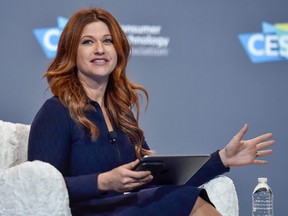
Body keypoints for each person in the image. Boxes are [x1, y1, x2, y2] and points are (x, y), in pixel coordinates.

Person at [28, 8, 275, 216]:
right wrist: (103, 181)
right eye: (87, 42)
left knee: (179, 195)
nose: (100, 49)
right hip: (88, 211)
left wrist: (222, 159)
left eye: (107, 41)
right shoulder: (56, 111)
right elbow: (40, 188)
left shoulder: (121, 114)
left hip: (128, 206)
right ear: (71, 52)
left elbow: (154, 180)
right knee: (182, 198)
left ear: (118, 51)